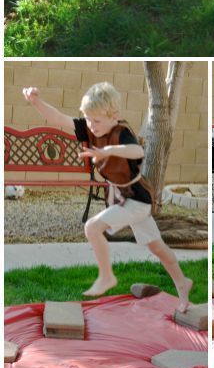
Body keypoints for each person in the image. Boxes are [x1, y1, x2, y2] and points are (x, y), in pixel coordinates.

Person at [22, 82, 193, 309]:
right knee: (157, 247)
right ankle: (183, 283)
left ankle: (106, 276)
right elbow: (58, 119)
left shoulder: (120, 132)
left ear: (115, 115)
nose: (92, 126)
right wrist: (36, 102)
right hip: (125, 198)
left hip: (137, 198)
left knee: (92, 227)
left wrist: (108, 151)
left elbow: (138, 151)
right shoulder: (92, 127)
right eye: (89, 120)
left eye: (97, 121)